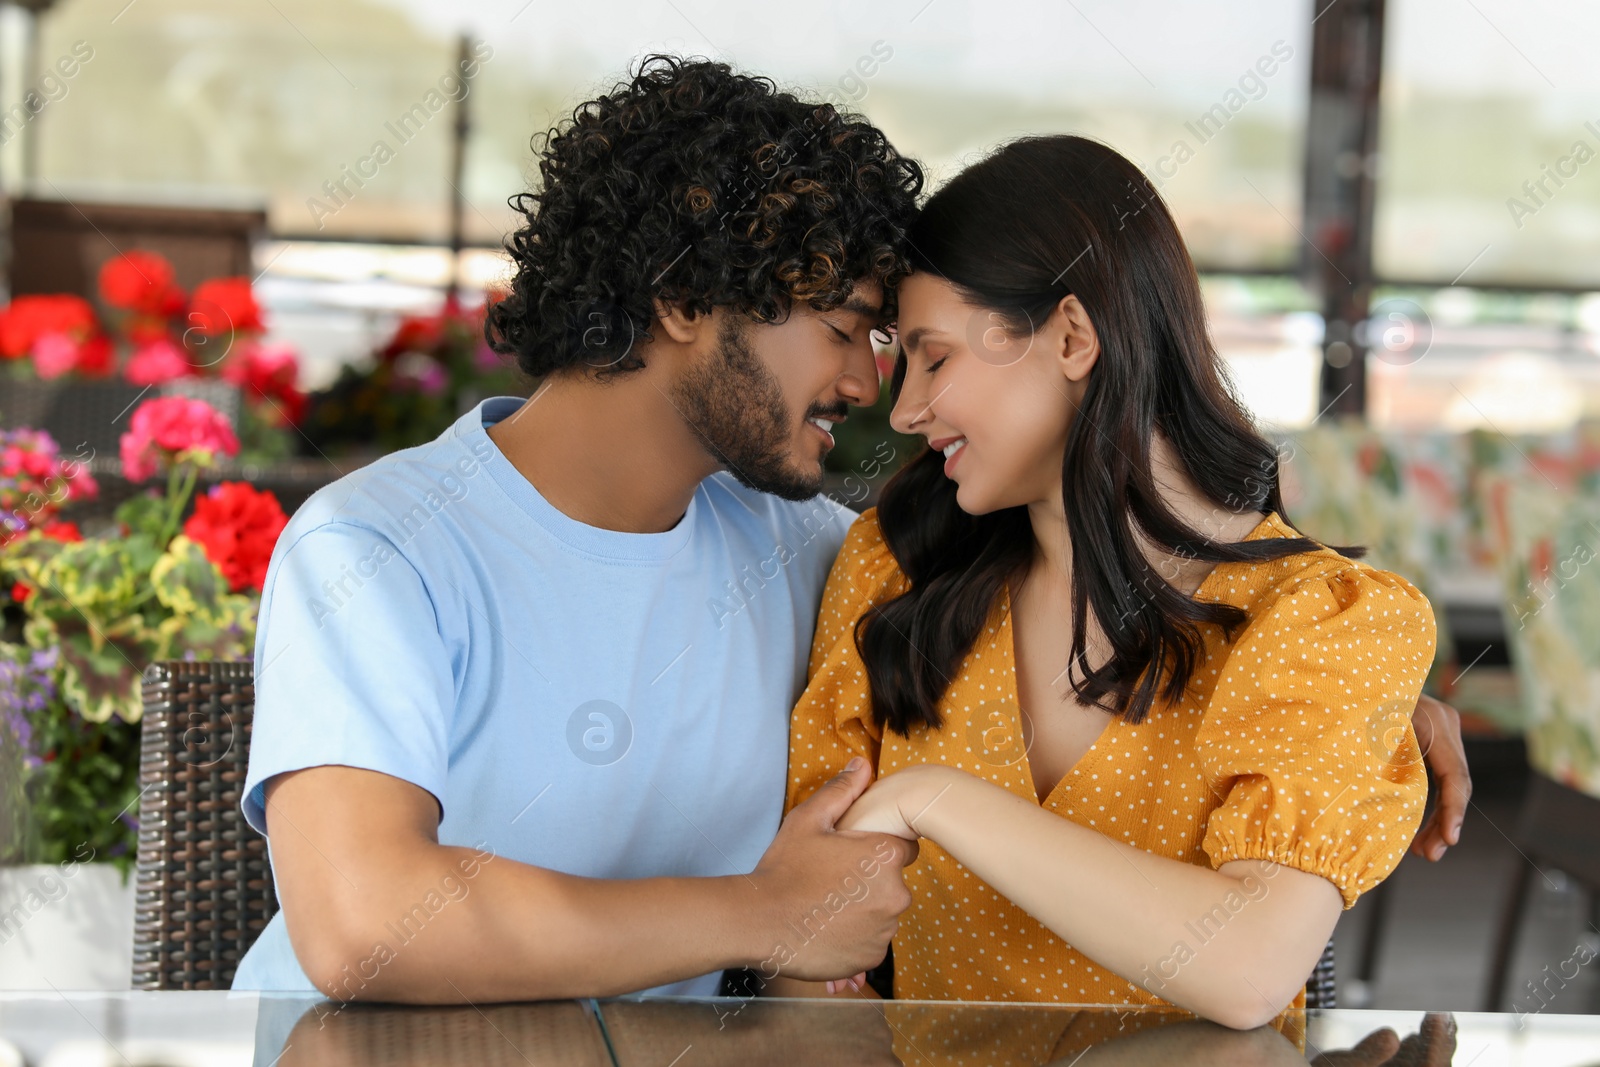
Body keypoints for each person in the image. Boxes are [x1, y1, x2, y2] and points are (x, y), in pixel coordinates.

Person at [230, 55, 926, 1002]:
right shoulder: (379, 548)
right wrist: (766, 912)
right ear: (682, 300)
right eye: (844, 328)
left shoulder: (806, 559)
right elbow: (366, 920)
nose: (867, 384)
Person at [776, 135, 1466, 1029]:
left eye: (934, 356)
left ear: (1072, 336)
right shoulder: (893, 572)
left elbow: (1249, 967)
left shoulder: (1331, 624)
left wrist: (932, 797)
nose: (904, 408)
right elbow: (804, 941)